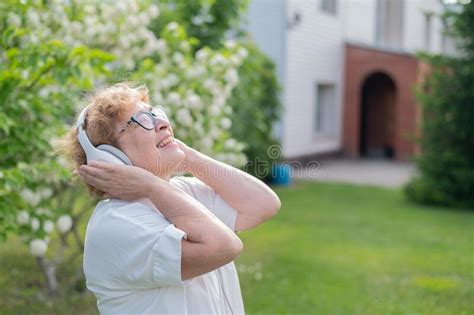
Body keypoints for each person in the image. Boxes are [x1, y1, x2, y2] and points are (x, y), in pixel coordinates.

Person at [60, 82, 281, 314]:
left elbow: (263, 204)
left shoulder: (180, 192)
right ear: (111, 158)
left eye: (156, 113)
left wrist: (186, 156)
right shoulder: (116, 225)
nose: (163, 123)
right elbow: (224, 247)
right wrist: (151, 184)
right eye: (143, 120)